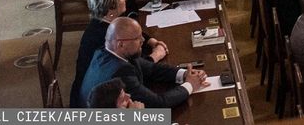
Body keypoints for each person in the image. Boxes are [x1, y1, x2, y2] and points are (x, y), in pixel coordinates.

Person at [79, 17, 208, 108]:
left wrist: (185, 74)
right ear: (121, 44)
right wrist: (190, 85)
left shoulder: (107, 51)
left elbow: (151, 69)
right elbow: (159, 104)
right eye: (137, 38)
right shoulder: (119, 72)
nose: (142, 40)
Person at [71, 0, 159, 107]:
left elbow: (124, 28)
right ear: (112, 5)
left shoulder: (101, 23)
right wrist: (155, 56)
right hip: (95, 104)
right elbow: (131, 65)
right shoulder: (103, 37)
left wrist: (149, 40)